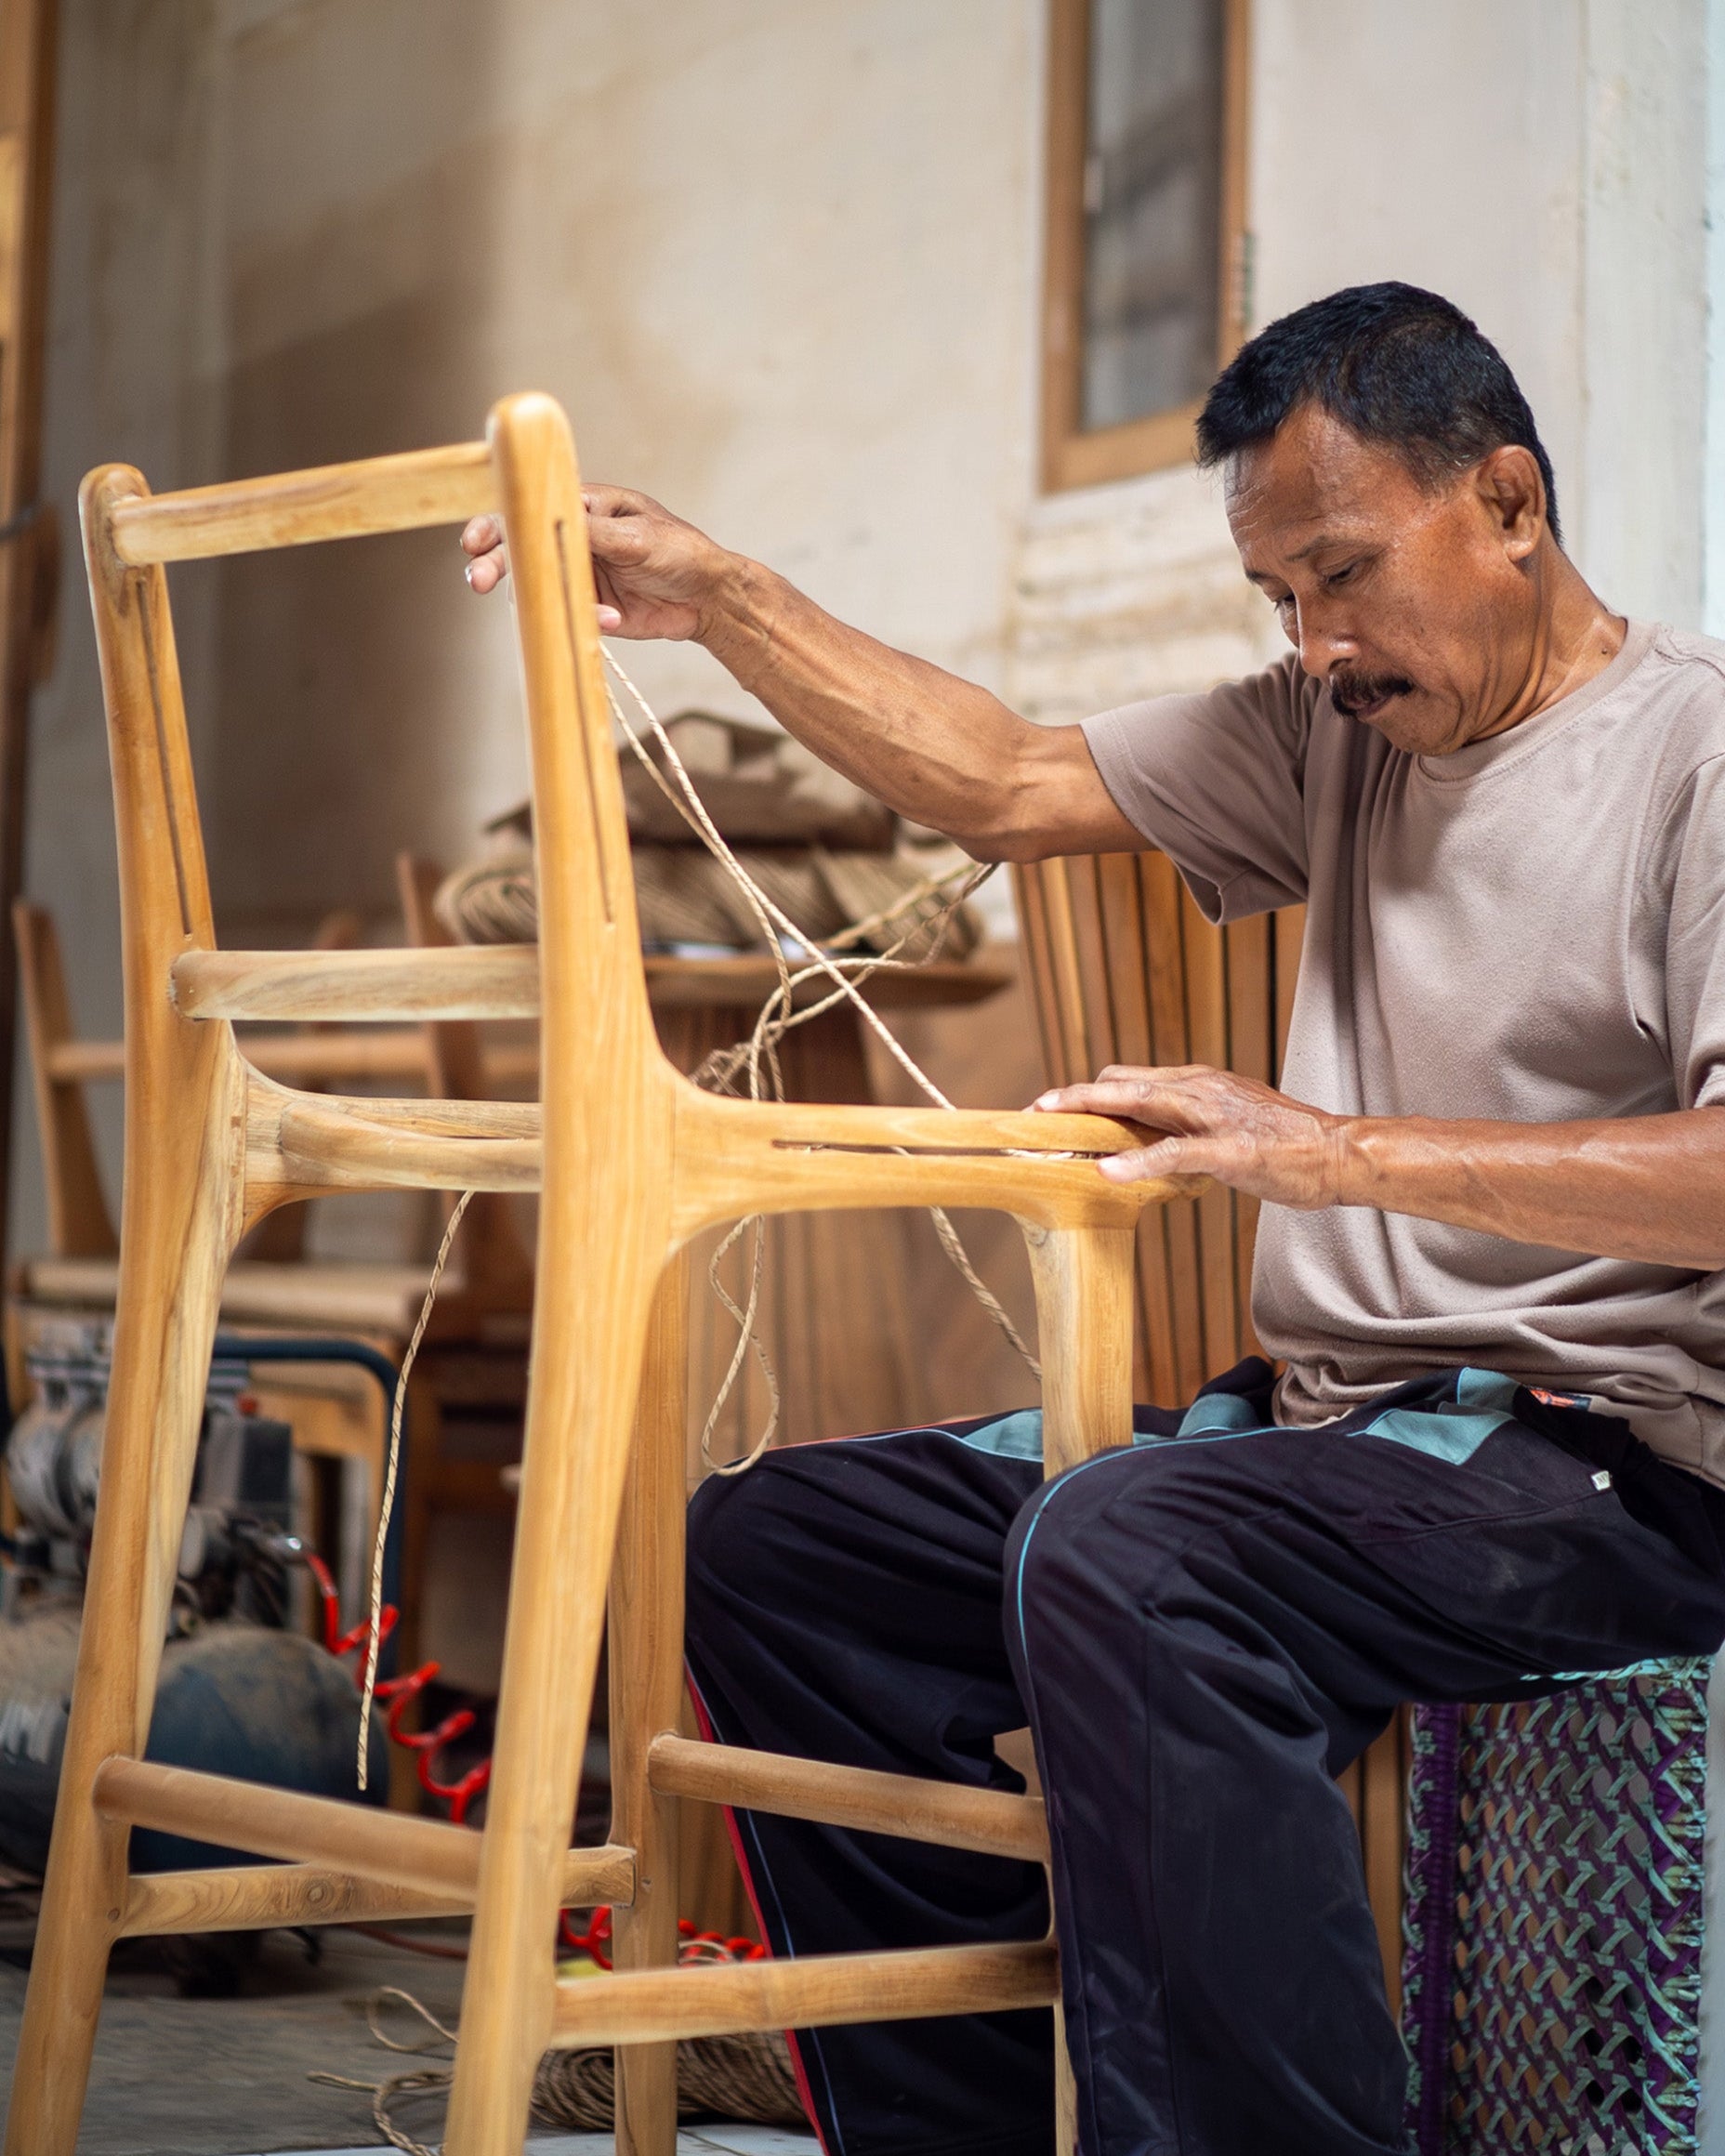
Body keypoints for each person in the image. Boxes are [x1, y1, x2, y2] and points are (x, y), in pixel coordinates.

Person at [464, 283, 1725, 2156]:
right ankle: (957, 2125)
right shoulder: (1339, 730)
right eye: (1279, 599)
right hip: (1324, 1446)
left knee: (1135, 1546)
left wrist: (1330, 1152)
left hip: (1596, 1471)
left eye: (1344, 574)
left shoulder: (1688, 757)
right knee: (779, 1540)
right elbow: (998, 777)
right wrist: (721, 597)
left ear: (1513, 504)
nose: (1314, 641)